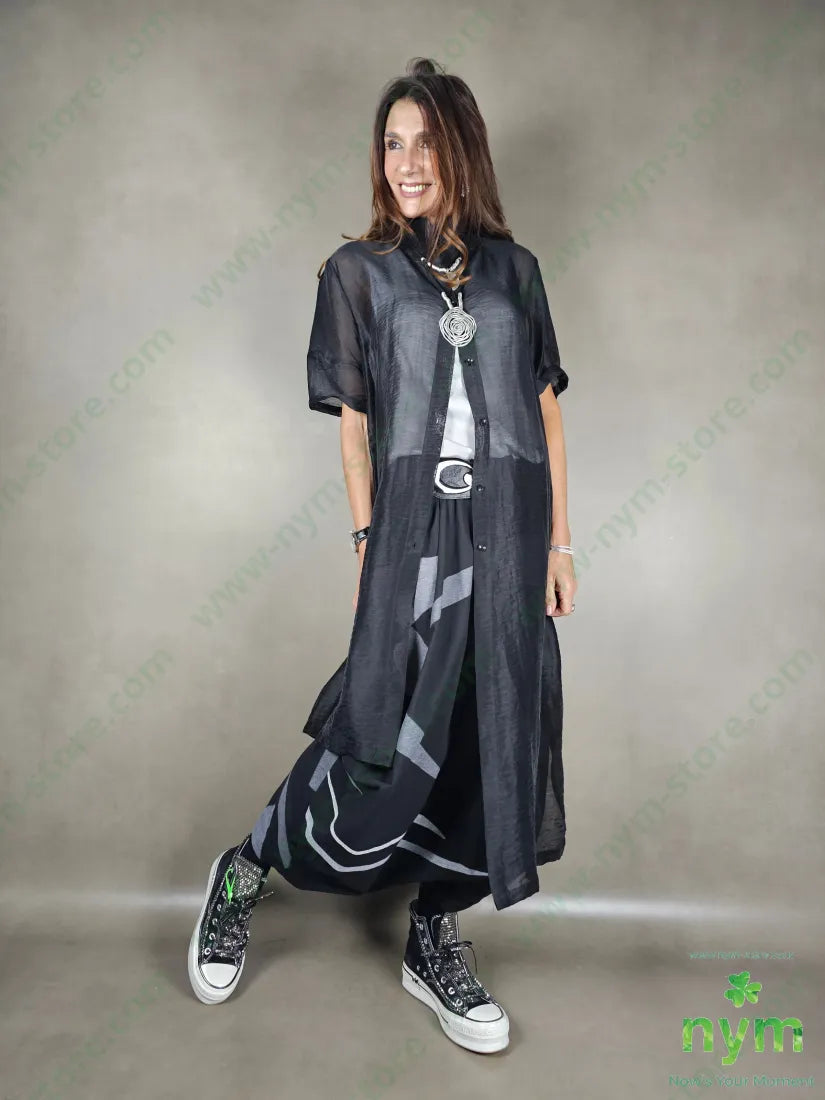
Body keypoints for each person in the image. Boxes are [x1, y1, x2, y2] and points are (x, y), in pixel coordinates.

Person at [188, 56, 577, 1055]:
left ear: (462, 152)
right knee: (383, 729)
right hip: (414, 526)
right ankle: (247, 866)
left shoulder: (515, 271)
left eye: (426, 143)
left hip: (508, 526)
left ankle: (434, 931)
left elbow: (543, 411)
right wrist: (369, 539)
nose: (406, 162)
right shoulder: (356, 274)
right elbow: (355, 425)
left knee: (495, 728)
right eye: (392, 143)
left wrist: (559, 543)